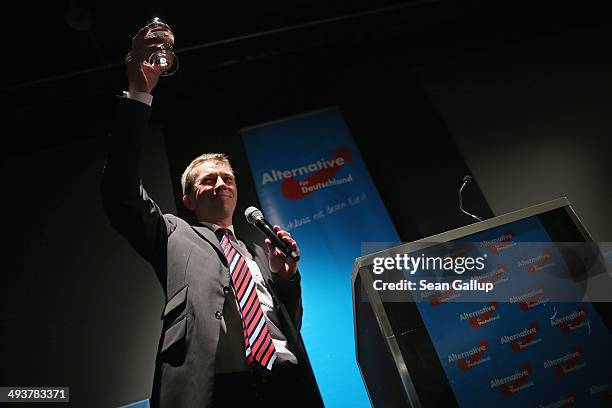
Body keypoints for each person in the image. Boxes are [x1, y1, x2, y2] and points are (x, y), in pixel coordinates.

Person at [101, 26, 323, 407]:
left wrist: (287, 281)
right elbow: (120, 194)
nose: (220, 183)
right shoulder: (173, 235)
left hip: (288, 387)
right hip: (215, 391)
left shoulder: (255, 255)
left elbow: (288, 326)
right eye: (208, 180)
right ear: (188, 199)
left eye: (227, 178)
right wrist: (139, 95)